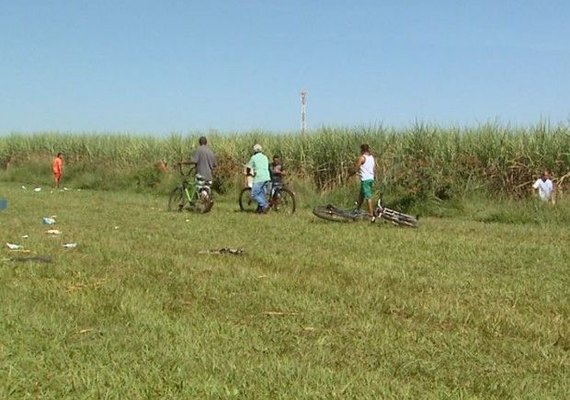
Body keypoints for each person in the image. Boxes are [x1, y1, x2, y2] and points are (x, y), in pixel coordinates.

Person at [246, 144, 271, 213]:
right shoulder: (265, 157)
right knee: (261, 194)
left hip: (259, 178)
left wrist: (248, 173)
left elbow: (248, 167)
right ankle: (261, 210)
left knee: (254, 194)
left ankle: (264, 205)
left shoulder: (254, 157)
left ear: (254, 151)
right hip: (267, 177)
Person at [355, 144, 376, 222]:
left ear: (362, 150)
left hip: (365, 180)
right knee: (361, 196)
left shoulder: (362, 158)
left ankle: (371, 215)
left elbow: (356, 167)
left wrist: (351, 173)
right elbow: (374, 168)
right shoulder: (371, 158)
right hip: (371, 178)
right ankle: (357, 210)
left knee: (368, 197)